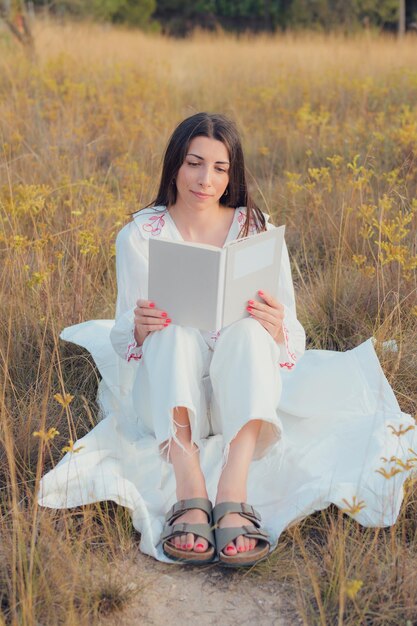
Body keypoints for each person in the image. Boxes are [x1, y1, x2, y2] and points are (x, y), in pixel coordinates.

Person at [38, 112, 417, 567]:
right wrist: (139, 327)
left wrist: (275, 326)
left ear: (231, 173)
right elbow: (124, 336)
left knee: (251, 328)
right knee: (170, 327)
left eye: (220, 168)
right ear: (175, 165)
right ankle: (190, 487)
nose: (206, 179)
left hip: (242, 397)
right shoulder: (140, 233)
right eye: (195, 163)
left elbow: (292, 335)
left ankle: (232, 489)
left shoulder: (253, 226)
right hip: (170, 396)